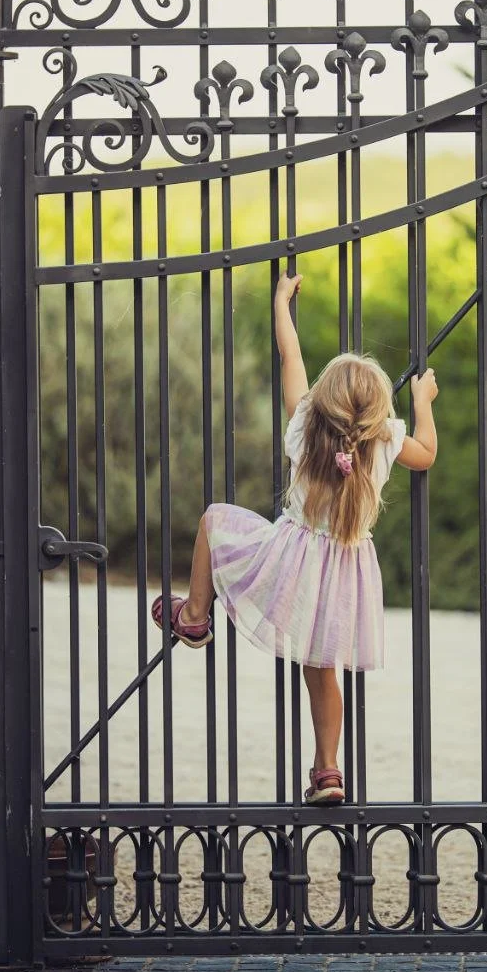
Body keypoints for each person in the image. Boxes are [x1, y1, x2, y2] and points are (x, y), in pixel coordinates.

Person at [151, 270, 439, 805]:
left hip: (292, 561)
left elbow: (291, 360)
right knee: (320, 668)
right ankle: (328, 771)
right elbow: (427, 452)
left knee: (215, 521)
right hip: (347, 574)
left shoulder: (305, 427)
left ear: (323, 401)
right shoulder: (384, 441)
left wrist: (283, 301)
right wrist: (422, 399)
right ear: (378, 410)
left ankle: (193, 617)